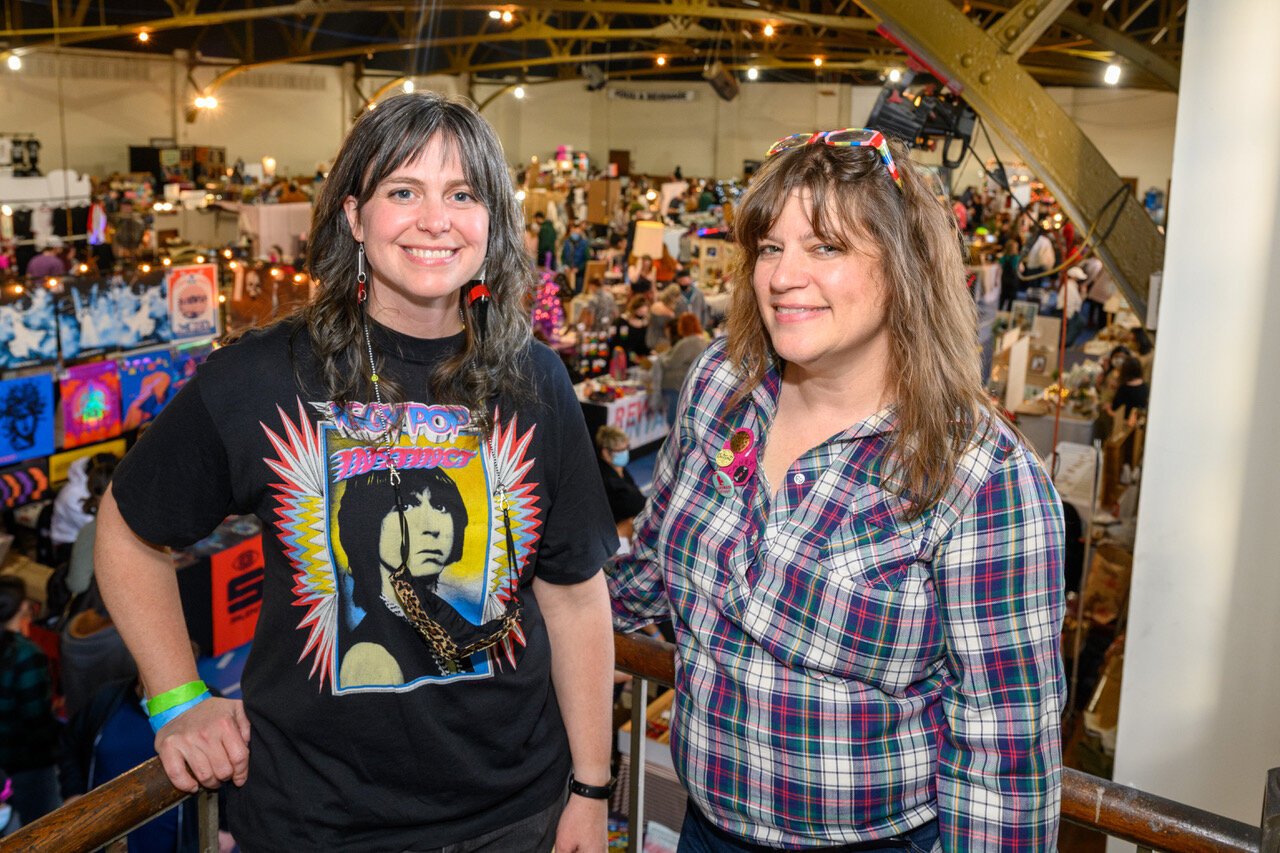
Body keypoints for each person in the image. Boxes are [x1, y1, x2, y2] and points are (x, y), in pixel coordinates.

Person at [96, 92, 617, 851]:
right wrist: (176, 697)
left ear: (492, 221)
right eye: (403, 191)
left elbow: (573, 597)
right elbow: (129, 531)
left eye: (462, 194)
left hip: (517, 812)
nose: (435, 220)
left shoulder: (533, 379)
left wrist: (592, 788)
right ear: (353, 215)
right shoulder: (260, 378)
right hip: (316, 823)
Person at [608, 128, 1065, 850]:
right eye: (770, 247)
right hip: (707, 828)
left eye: (825, 246)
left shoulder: (978, 473)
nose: (784, 275)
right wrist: (520, 606)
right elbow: (651, 570)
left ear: (904, 266)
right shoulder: (720, 391)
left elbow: (1004, 761)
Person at [0, 575, 62, 827]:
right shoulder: (26, 655)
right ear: (22, 607)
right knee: (44, 827)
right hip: (27, 764)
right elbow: (36, 720)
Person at [653, 312, 709, 427]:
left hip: (677, 386)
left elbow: (670, 363)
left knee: (673, 421)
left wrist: (661, 357)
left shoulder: (687, 343)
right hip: (690, 386)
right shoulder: (702, 341)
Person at [594, 425, 646, 546]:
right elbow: (636, 505)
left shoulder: (620, 470)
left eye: (626, 448)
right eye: (620, 451)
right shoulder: (607, 479)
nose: (625, 453)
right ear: (606, 453)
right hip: (608, 532)